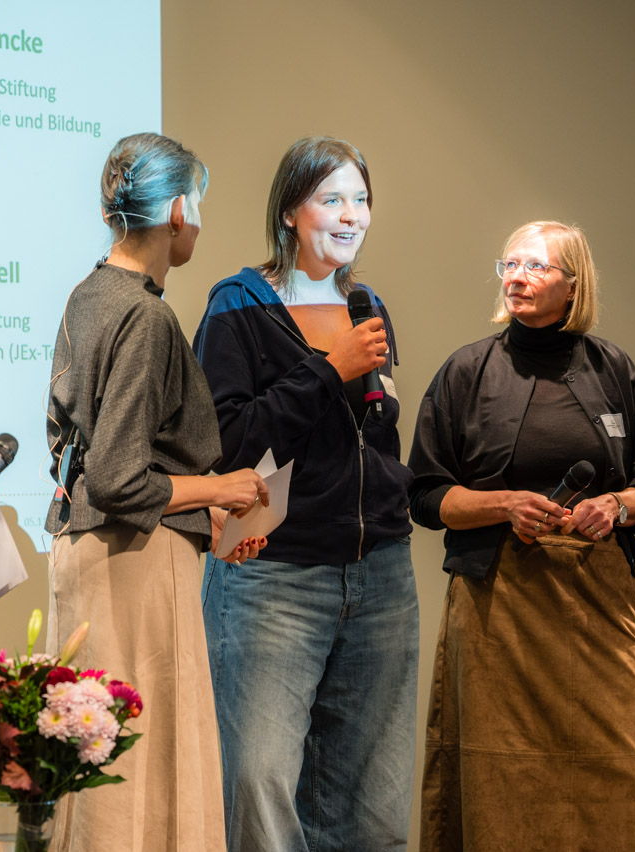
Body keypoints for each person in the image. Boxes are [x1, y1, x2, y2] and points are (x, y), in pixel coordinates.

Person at [408, 220, 635, 851]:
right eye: (509, 265)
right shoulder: (466, 372)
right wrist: (502, 506)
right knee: (499, 769)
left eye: (535, 266)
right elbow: (423, 493)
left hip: (598, 610)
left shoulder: (613, 369)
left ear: (572, 283)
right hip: (499, 609)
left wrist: (615, 505)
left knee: (619, 762)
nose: (517, 277)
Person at [191, 136, 419, 851]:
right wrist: (328, 368)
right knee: (260, 785)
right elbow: (227, 444)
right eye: (331, 199)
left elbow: (374, 432)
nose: (350, 215)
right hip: (275, 577)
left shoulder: (366, 302)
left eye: (361, 199)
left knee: (374, 802)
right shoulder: (238, 303)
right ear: (290, 211)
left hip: (380, 574)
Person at [44, 132, 268, 852]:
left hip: (93, 552)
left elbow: (96, 459)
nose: (198, 217)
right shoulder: (145, 314)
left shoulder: (88, 295)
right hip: (132, 565)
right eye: (196, 200)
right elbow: (118, 476)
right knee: (135, 777)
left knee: (98, 765)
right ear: (176, 210)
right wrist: (222, 489)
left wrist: (204, 514)